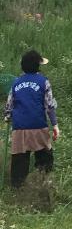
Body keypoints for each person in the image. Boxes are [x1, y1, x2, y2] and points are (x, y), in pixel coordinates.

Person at [3, 50, 60, 188]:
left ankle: (18, 187)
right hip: (38, 125)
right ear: (38, 66)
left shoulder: (16, 83)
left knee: (19, 159)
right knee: (44, 155)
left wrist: (7, 117)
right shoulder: (43, 81)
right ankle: (44, 181)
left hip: (19, 127)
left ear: (22, 66)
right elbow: (49, 106)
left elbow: (9, 105)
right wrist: (55, 125)